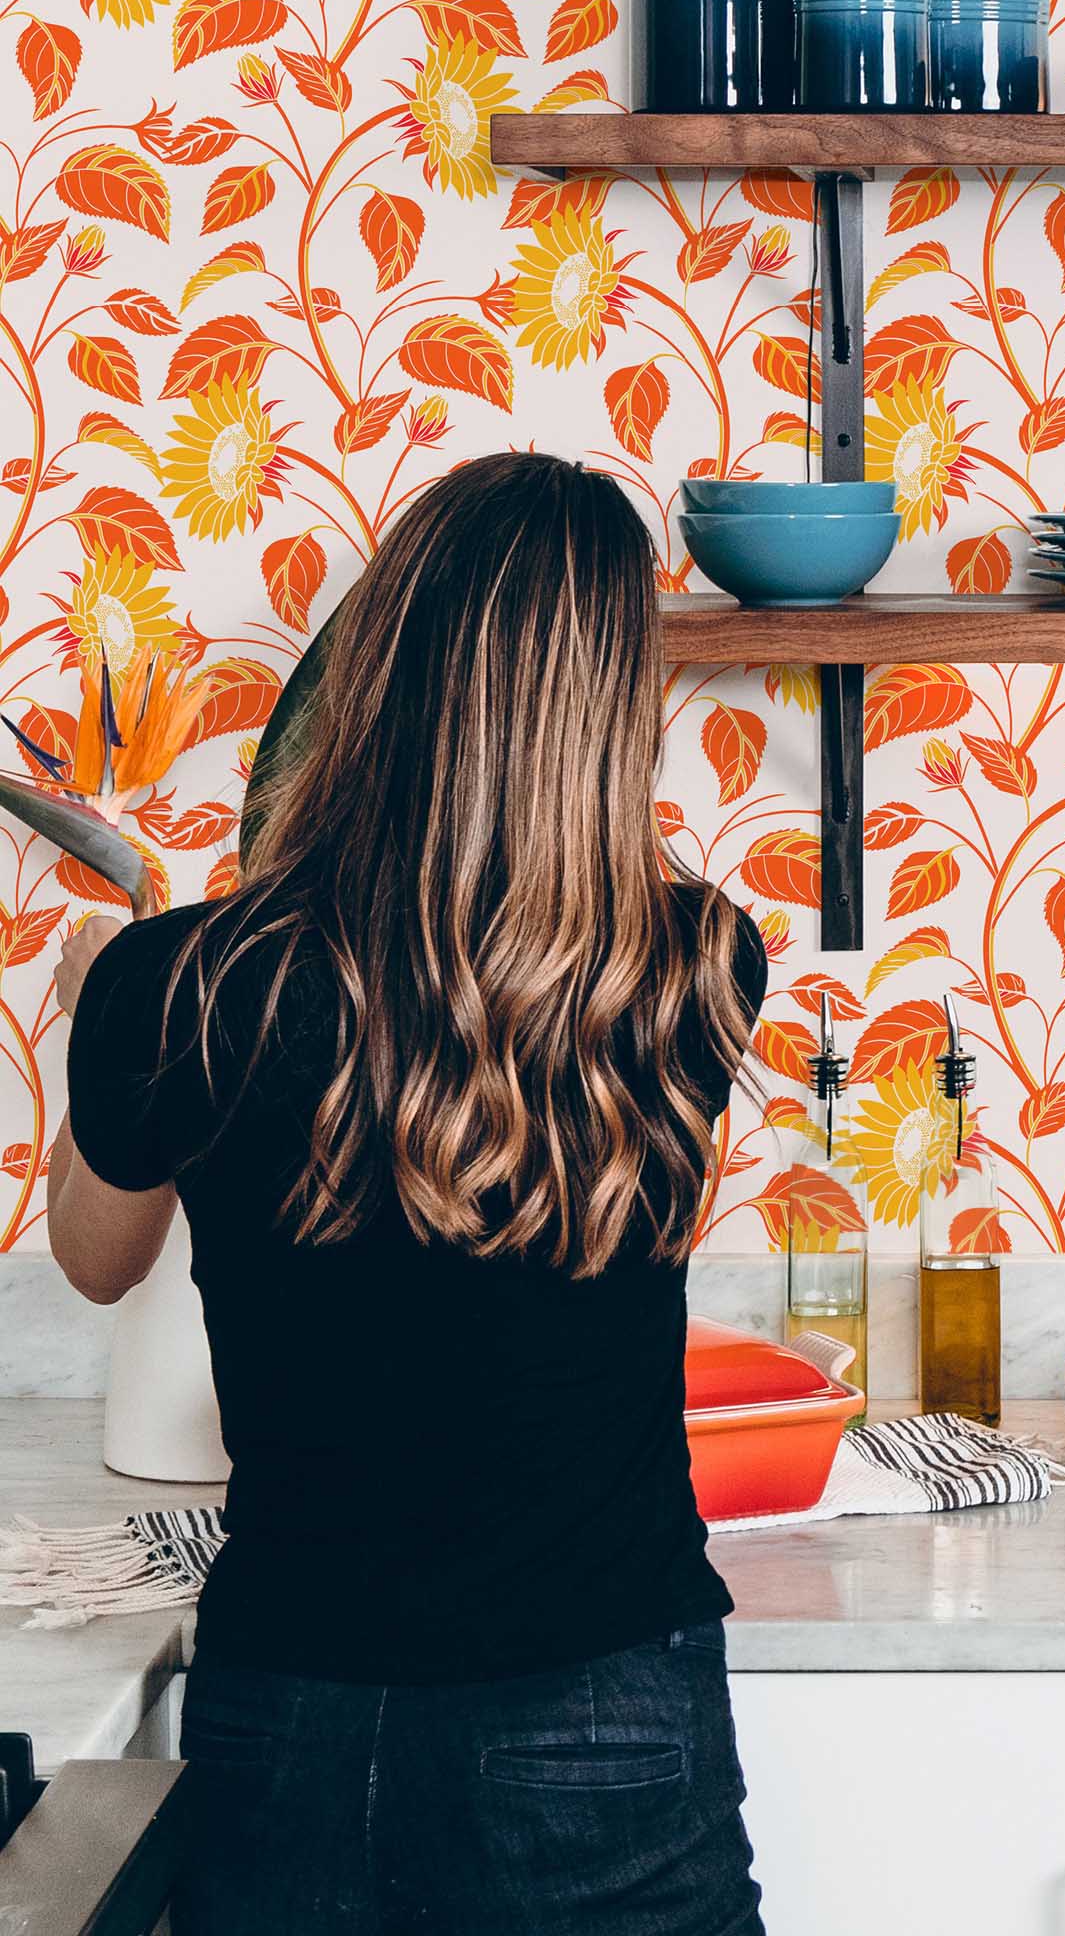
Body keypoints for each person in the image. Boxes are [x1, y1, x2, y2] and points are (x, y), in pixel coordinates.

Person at [48, 452, 769, 1935]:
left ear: (371, 666)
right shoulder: (696, 965)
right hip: (605, 1701)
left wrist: (103, 1019)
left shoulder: (180, 982)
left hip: (295, 1704)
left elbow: (94, 1259)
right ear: (613, 707)